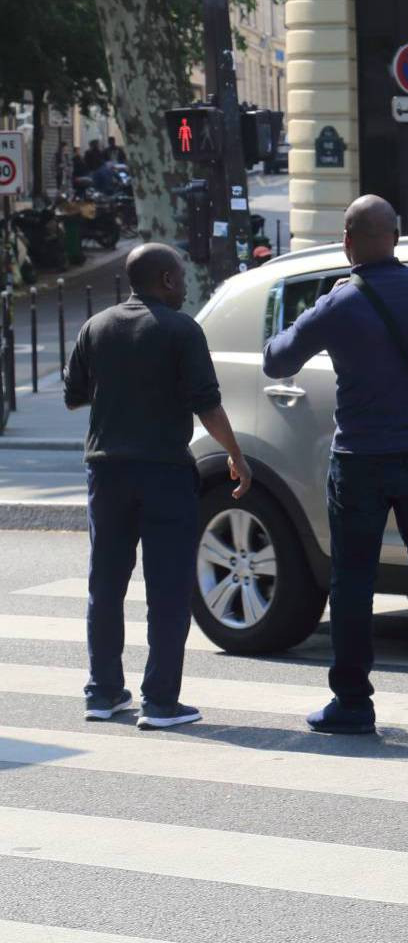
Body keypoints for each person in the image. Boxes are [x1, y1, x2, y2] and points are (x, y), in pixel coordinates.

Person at [263, 196, 408, 737]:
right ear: (398, 236)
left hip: (358, 461)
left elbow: (277, 359)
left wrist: (302, 315)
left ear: (347, 240)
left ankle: (353, 702)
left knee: (353, 581)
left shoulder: (341, 303)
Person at [64, 244, 252, 730]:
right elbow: (208, 406)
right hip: (165, 472)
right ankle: (161, 702)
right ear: (166, 279)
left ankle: (102, 693)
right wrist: (235, 455)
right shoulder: (181, 330)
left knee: (104, 585)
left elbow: (73, 397)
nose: (185, 284)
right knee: (167, 591)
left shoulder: (96, 327)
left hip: (105, 472)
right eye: (182, 276)